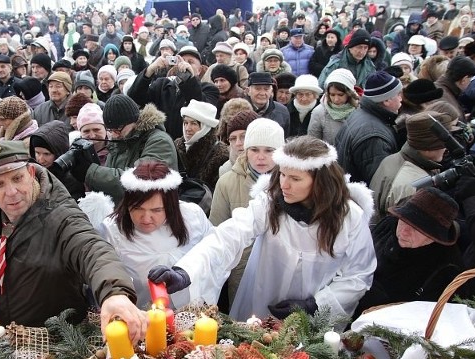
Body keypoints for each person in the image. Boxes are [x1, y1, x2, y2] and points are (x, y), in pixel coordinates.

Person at [148, 136, 376, 320]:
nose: (284, 184)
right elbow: (230, 235)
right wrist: (186, 270)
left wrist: (315, 305)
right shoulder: (270, 202)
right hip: (260, 304)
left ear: (321, 182)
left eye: (295, 179)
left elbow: (359, 274)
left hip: (312, 319)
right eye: (283, 174)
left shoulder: (349, 217)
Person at [0, 140, 146, 342]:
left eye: (17, 178)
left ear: (31, 174)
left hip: (56, 345)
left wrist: (115, 293)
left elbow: (91, 248)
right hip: (5, 340)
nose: (12, 192)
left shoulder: (61, 215)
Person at [98, 161, 214, 309]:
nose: (146, 219)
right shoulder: (111, 231)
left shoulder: (193, 216)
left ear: (171, 206)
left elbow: (213, 256)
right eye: (137, 208)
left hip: (193, 314)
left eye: (157, 210)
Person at [210, 118, 285, 310]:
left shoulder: (291, 182)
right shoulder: (227, 182)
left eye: (269, 150)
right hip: (241, 270)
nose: (261, 157)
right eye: (254, 149)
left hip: (280, 269)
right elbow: (216, 232)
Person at [354, 188, 464, 318]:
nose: (404, 231)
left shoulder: (447, 270)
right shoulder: (388, 225)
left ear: (434, 237)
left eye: (416, 228)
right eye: (404, 220)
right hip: (350, 299)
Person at [70, 94, 178, 205]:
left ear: (134, 121)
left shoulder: (159, 141)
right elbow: (110, 190)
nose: (115, 135)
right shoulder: (119, 141)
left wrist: (91, 172)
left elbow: (139, 181)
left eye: (118, 129)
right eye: (110, 130)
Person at [370, 108, 459, 221]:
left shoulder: (393, 159)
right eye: (443, 144)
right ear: (428, 146)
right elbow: (408, 230)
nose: (446, 148)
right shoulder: (415, 185)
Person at [128, 46, 218, 140]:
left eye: (190, 62)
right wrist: (150, 69)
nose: (185, 64)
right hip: (161, 144)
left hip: (192, 145)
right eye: (181, 61)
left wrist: (189, 79)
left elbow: (201, 107)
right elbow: (134, 97)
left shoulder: (209, 89)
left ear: (199, 70)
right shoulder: (161, 85)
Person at [336, 71, 403, 185]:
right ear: (386, 100)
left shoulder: (361, 114)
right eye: (398, 94)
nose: (401, 98)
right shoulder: (374, 136)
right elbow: (381, 183)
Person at [174, 100, 228, 192]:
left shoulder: (220, 154)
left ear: (205, 127)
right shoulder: (177, 145)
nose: (187, 128)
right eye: (186, 123)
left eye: (193, 123)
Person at [29, 120, 85, 201]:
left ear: (59, 152)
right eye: (37, 153)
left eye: (46, 154)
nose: (40, 159)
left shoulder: (73, 180)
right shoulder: (31, 172)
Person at [308, 68, 359, 145]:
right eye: (332, 95)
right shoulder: (319, 112)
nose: (336, 99)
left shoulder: (359, 110)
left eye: (340, 95)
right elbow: (312, 144)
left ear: (349, 93)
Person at [244, 72, 290, 137]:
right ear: (248, 91)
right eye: (258, 89)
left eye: (266, 89)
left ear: (271, 92)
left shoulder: (282, 111)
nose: (262, 93)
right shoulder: (239, 110)